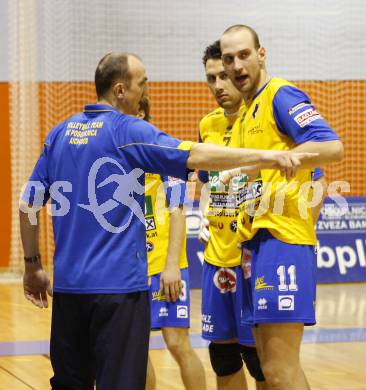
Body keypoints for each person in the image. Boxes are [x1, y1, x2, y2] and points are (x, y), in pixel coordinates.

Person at [19, 52, 315, 389]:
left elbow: (27, 203)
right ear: (120, 90)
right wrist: (268, 156)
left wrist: (32, 266)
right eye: (141, 84)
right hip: (120, 291)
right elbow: (195, 155)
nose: (145, 92)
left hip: (69, 291)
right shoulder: (128, 129)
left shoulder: (59, 134)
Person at [219, 25, 344, 389]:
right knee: (270, 370)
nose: (237, 64)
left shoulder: (280, 95)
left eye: (244, 54)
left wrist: (280, 160)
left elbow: (332, 148)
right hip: (255, 245)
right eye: (230, 58)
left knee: (280, 369)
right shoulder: (245, 111)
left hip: (281, 243)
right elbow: (272, 163)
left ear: (261, 54)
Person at [197, 40, 266, 390]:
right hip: (217, 259)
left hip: (256, 258)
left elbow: (314, 178)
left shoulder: (264, 118)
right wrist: (203, 214)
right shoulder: (206, 125)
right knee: (222, 359)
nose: (219, 86)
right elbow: (206, 181)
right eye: (211, 78)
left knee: (263, 363)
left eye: (224, 76)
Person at [137, 97, 206, 390]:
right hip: (131, 270)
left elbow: (178, 211)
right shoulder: (115, 157)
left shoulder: (163, 154)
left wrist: (172, 267)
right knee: (136, 352)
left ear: (140, 113)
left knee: (177, 344)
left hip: (165, 266)